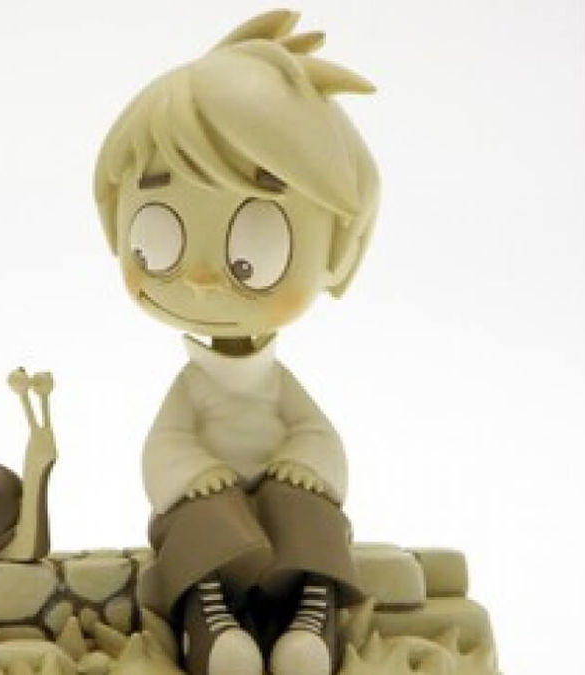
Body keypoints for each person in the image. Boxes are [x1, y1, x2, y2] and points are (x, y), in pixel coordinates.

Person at [92, 10, 381, 675]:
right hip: (209, 506)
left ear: (335, 248)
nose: (199, 279)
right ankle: (209, 621)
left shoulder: (278, 385)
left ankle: (312, 613)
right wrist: (192, 472)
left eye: (256, 245)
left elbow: (318, 434)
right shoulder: (192, 388)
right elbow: (164, 445)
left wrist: (303, 460)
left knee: (308, 510)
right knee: (201, 523)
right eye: (157, 237)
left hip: (279, 499)